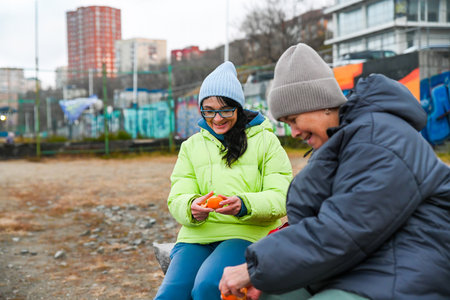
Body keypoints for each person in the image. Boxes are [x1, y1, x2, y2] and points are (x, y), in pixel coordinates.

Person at [219, 43, 450, 300]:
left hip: (412, 266)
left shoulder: (379, 138)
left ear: (323, 103)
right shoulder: (345, 140)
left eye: (293, 120)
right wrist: (272, 274)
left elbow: (343, 229)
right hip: (366, 260)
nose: (294, 133)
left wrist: (257, 268)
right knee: (269, 295)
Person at [155, 61, 293, 300]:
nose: (217, 118)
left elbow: (282, 196)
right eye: (208, 110)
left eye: (225, 109)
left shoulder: (266, 141)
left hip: (247, 233)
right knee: (170, 295)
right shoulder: (191, 147)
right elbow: (177, 196)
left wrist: (244, 204)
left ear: (238, 108)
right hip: (196, 236)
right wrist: (191, 207)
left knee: (209, 287)